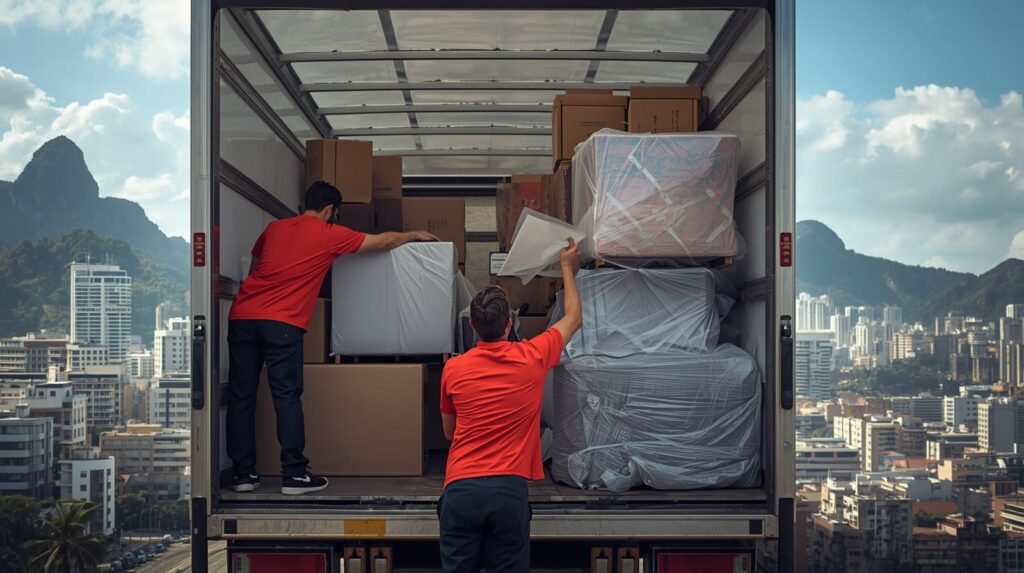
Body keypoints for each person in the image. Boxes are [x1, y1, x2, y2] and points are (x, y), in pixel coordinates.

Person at [226, 181, 438, 496]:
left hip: (242, 316)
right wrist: (413, 234)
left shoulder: (274, 228)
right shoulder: (329, 234)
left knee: (241, 396)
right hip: (282, 322)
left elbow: (256, 266)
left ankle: (243, 475)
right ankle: (294, 475)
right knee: (286, 397)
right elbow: (382, 241)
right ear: (329, 210)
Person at [438, 238, 583, 572]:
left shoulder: (453, 369)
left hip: (461, 489)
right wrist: (566, 267)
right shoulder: (532, 357)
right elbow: (574, 317)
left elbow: (449, 433)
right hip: (508, 491)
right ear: (509, 324)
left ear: (472, 325)